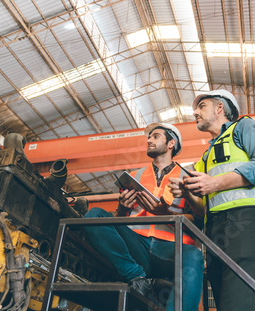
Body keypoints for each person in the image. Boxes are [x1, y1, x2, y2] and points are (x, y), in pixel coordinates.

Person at [169, 90, 255, 311]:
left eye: (201, 106)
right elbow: (202, 210)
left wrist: (215, 183)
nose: (195, 112)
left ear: (220, 107)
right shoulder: (205, 157)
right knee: (226, 303)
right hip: (215, 230)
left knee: (239, 303)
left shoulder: (243, 127)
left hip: (248, 222)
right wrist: (187, 192)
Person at [83, 123, 204, 311]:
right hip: (136, 245)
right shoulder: (134, 176)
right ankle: (136, 277)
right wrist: (122, 208)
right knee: (94, 215)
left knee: (195, 256)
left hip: (171, 248)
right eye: (149, 137)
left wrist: (167, 215)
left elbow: (198, 221)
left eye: (155, 136)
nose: (149, 140)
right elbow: (119, 219)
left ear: (171, 143)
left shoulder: (187, 178)